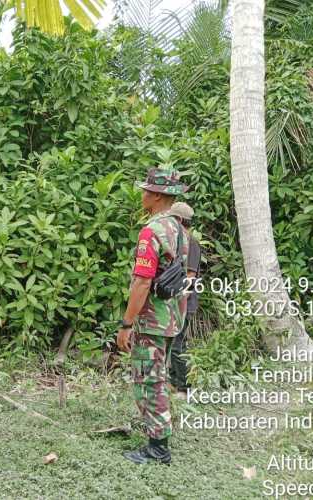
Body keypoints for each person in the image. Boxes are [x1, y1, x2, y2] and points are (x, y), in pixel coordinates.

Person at [117, 168, 188, 465]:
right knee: (157, 377)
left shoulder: (152, 231)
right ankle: (158, 434)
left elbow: (143, 282)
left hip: (151, 320)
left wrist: (126, 324)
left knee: (149, 380)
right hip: (171, 317)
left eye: (146, 190)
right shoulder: (180, 230)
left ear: (157, 196)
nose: (143, 195)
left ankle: (158, 448)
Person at [168, 202, 201, 391]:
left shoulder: (191, 243)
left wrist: (180, 303)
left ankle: (184, 386)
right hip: (176, 301)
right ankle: (175, 382)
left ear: (179, 220)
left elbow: (190, 277)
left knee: (177, 346)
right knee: (174, 344)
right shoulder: (179, 242)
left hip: (184, 303)